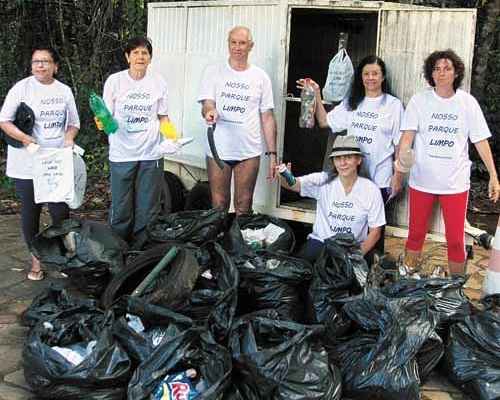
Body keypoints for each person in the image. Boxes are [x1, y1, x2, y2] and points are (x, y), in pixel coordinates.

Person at [394, 49, 499, 276]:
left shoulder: (467, 103)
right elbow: (407, 139)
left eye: (447, 68)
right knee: (415, 234)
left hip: (455, 184)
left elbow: (480, 141)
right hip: (422, 181)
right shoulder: (419, 101)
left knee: (455, 239)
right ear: (430, 74)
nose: (441, 73)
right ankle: (408, 281)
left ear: (456, 72)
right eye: (437, 69)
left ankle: (456, 288)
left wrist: (493, 175)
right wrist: (401, 163)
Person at [297, 55, 404, 252]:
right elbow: (325, 122)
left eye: (375, 74)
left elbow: (400, 146)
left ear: (383, 77)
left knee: (374, 231)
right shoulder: (352, 102)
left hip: (379, 179)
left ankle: (369, 272)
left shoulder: (393, 105)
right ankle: (344, 269)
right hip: (352, 177)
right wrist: (317, 94)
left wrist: (398, 177)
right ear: (360, 77)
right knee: (353, 227)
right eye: (366, 74)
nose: (370, 78)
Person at [0, 46, 80, 280]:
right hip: (27, 161)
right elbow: (4, 121)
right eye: (36, 61)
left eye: (45, 61)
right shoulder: (22, 88)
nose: (40, 66)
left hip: (55, 162)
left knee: (60, 211)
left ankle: (63, 258)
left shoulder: (64, 91)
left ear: (56, 66)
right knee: (30, 211)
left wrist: (68, 138)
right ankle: (36, 260)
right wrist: (25, 138)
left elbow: (73, 123)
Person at [98, 36, 179, 243]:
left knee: (148, 207)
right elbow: (104, 116)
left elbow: (163, 116)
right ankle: (118, 248)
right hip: (121, 153)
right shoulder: (114, 81)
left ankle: (142, 250)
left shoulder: (158, 82)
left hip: (151, 153)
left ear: (150, 58)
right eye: (135, 53)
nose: (140, 57)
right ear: (127, 57)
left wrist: (172, 138)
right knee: (121, 207)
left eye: (144, 53)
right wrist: (102, 122)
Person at [198, 26, 277, 215]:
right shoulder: (213, 72)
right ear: (228, 44)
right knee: (219, 205)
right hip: (219, 149)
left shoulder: (260, 77)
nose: (237, 47)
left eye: (242, 43)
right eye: (233, 42)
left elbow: (267, 117)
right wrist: (209, 111)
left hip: (248, 151)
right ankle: (218, 242)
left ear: (251, 46)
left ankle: (239, 242)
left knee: (244, 204)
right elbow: (207, 103)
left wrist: (273, 154)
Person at [278, 135, 385, 264]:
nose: (343, 163)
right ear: (333, 161)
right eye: (338, 158)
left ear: (358, 160)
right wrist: (284, 176)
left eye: (348, 157)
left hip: (351, 248)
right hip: (320, 243)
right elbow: (295, 184)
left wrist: (355, 256)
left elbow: (375, 232)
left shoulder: (371, 190)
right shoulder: (324, 180)